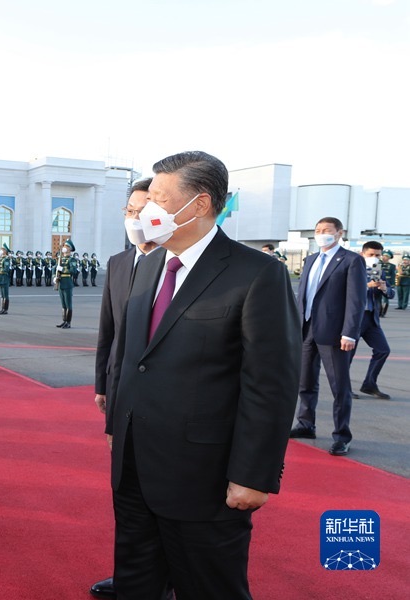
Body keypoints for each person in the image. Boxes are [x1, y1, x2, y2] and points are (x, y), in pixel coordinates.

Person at [108, 151, 300, 599]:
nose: (147, 208)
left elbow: (269, 383)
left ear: (198, 204)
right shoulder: (150, 264)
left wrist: (254, 474)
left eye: (158, 198)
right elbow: (135, 357)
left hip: (204, 479)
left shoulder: (257, 274)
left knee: (210, 587)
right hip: (135, 469)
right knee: (136, 584)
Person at [90, 177, 166, 599]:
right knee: (126, 492)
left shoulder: (175, 263)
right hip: (122, 394)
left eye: (144, 210)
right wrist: (103, 382)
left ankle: (163, 577)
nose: (136, 219)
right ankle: (131, 576)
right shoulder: (120, 263)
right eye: (130, 212)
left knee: (161, 494)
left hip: (164, 402)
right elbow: (109, 329)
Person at [290, 217, 366, 456]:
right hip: (307, 329)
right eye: (318, 230)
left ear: (339, 233)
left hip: (335, 333)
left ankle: (342, 435)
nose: (321, 234)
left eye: (327, 230)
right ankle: (305, 424)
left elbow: (356, 301)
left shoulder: (351, 261)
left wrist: (349, 333)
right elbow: (302, 296)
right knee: (305, 382)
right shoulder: (311, 259)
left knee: (339, 386)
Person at [350, 242, 394, 399]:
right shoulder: (353, 269)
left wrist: (383, 288)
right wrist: (367, 285)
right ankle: (343, 387)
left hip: (371, 318)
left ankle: (370, 383)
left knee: (383, 350)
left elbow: (391, 293)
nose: (374, 258)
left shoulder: (379, 271)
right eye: (371, 255)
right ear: (362, 254)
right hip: (355, 318)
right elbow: (345, 292)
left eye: (377, 255)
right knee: (347, 354)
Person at [54, 240, 75, 328]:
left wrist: (62, 270)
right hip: (60, 283)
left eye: (66, 246)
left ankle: (68, 322)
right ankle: (64, 321)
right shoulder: (60, 259)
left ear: (69, 249)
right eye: (64, 246)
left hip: (67, 283)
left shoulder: (72, 259)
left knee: (68, 303)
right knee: (63, 304)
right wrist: (54, 277)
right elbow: (54, 269)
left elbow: (73, 270)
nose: (64, 248)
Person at [0, 243, 12, 315]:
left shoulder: (7, 259)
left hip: (5, 277)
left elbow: (6, 269)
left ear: (5, 251)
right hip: (0, 278)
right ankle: (2, 308)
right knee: (2, 294)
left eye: (2, 250)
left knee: (5, 294)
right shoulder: (0, 259)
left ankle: (5, 309)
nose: (1, 251)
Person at [378, 249, 396, 317]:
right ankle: (379, 311)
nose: (384, 257)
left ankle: (383, 312)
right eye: (383, 256)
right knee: (378, 298)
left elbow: (393, 276)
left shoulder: (392, 266)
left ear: (389, 258)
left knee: (386, 299)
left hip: (387, 283)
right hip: (379, 282)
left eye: (386, 256)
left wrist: (392, 285)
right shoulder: (378, 264)